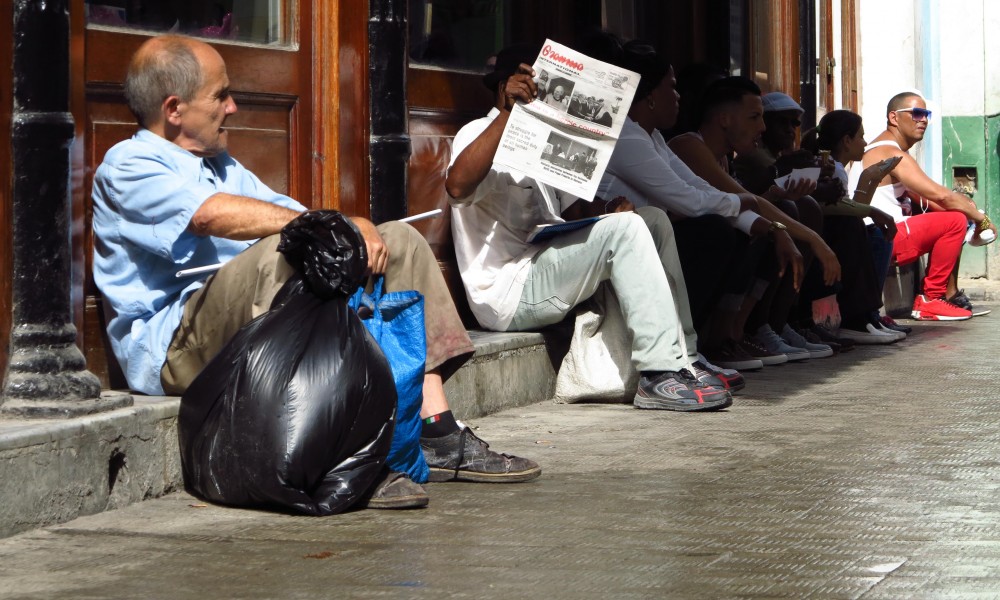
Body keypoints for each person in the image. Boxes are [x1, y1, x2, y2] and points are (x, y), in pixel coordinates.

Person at [91, 35, 541, 511]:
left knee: (399, 241)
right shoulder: (128, 164)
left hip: (252, 334)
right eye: (220, 96)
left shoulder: (221, 165)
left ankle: (435, 429)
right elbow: (209, 216)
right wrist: (330, 227)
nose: (234, 107)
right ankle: (336, 451)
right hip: (177, 350)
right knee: (281, 252)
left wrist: (353, 228)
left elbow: (301, 215)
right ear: (174, 109)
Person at [445, 43, 735, 411]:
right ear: (506, 87)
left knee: (651, 221)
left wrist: (610, 210)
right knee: (627, 229)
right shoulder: (479, 131)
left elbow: (567, 218)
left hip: (548, 268)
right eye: (532, 86)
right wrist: (508, 115)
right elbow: (457, 186)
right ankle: (657, 373)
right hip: (509, 290)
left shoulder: (543, 136)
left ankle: (684, 358)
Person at [599, 41, 820, 371]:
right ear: (649, 96)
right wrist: (753, 204)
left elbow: (696, 188)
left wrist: (770, 228)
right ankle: (693, 345)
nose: (678, 98)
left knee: (737, 228)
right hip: (624, 255)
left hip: (653, 245)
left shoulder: (651, 137)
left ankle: (710, 341)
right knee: (712, 230)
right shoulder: (627, 138)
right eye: (671, 88)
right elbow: (689, 200)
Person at [668, 78, 843, 364]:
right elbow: (743, 203)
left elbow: (747, 202)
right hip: (672, 252)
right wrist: (812, 239)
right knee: (732, 231)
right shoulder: (689, 146)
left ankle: (748, 330)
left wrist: (776, 201)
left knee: (778, 217)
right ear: (724, 118)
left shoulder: (723, 157)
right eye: (755, 117)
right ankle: (717, 337)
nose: (761, 127)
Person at [849, 91, 997, 320]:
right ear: (894, 118)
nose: (924, 120)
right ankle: (931, 300)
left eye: (926, 114)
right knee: (956, 219)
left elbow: (926, 196)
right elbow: (941, 195)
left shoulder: (893, 150)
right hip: (880, 238)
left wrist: (966, 207)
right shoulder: (889, 151)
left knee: (958, 209)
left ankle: (949, 293)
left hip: (887, 233)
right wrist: (980, 218)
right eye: (916, 113)